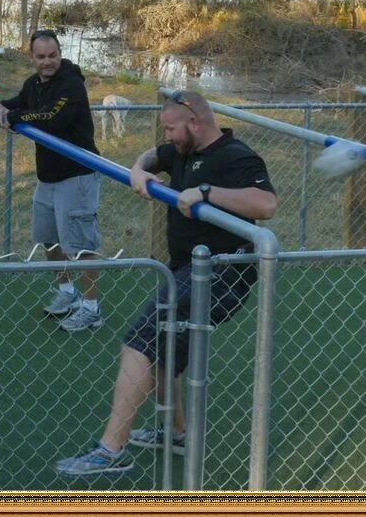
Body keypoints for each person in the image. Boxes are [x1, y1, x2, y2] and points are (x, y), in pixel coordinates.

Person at [55, 89, 275, 477]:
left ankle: (110, 450)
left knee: (140, 344)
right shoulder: (182, 151)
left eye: (172, 128)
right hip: (185, 269)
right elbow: (153, 156)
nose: (168, 136)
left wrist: (207, 193)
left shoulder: (235, 156)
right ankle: (177, 433)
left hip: (222, 273)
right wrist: (140, 170)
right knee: (164, 352)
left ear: (194, 123)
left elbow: (266, 204)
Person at [0, 28, 107, 332]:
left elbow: (51, 118)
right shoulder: (34, 84)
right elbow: (18, 102)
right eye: (41, 56)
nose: (47, 61)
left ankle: (92, 308)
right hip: (49, 177)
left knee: (80, 246)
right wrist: (2, 106)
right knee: (49, 239)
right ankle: (68, 293)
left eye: (52, 55)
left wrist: (16, 117)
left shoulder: (71, 85)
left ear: (60, 53)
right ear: (31, 58)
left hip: (77, 175)